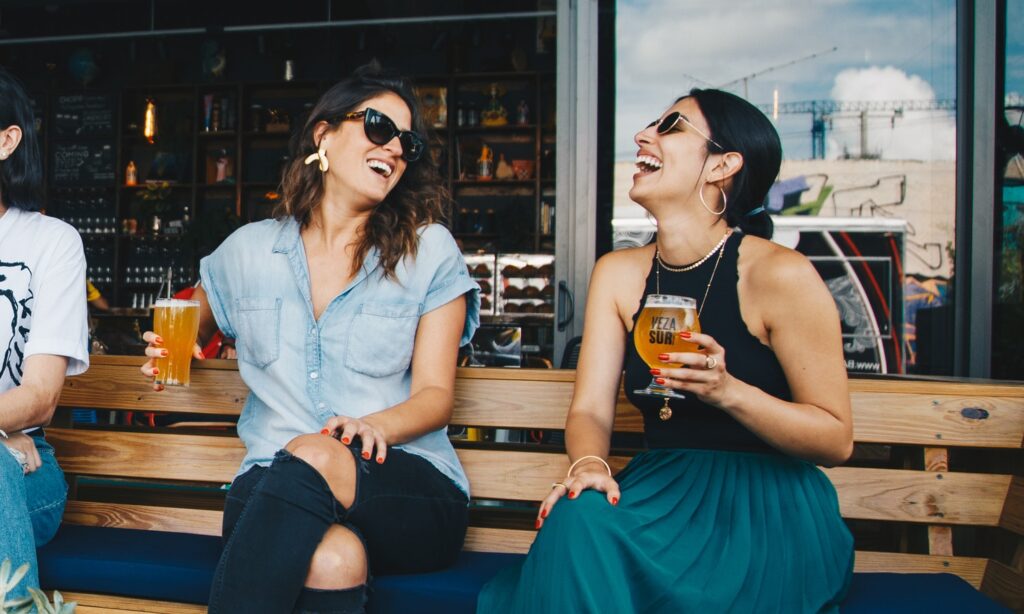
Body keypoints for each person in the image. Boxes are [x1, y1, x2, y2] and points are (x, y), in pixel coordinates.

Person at [478, 89, 854, 613]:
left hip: (767, 510)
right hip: (662, 495)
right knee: (577, 515)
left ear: (722, 166)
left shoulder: (779, 274)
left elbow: (835, 440)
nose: (643, 135)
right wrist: (590, 465)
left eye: (671, 126)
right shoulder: (618, 273)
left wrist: (728, 392)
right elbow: (589, 409)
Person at [141, 63, 479, 614]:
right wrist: (165, 347)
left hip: (403, 485)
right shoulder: (248, 251)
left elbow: (437, 399)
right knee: (332, 560)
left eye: (406, 141)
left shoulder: (429, 250)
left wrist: (372, 426)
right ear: (324, 134)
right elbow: (186, 323)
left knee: (319, 451)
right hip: (272, 486)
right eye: (376, 126)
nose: (393, 147)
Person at [0, 66, 89, 601]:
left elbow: (37, 400)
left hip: (25, 469)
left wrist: (8, 432)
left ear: (6, 139)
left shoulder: (52, 242)